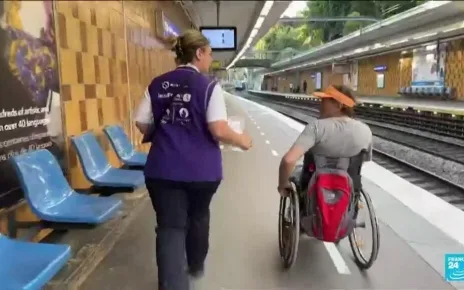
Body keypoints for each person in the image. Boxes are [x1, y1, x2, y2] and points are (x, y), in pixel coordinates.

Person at [134, 29, 252, 290]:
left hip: (163, 170)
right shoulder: (208, 86)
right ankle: (195, 264)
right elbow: (218, 128)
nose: (210, 59)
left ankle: (173, 284)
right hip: (203, 172)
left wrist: (166, 133)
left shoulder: (157, 83)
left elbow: (141, 121)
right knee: (198, 216)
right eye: (209, 53)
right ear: (198, 53)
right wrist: (243, 140)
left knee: (170, 228)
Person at [277, 85, 372, 197]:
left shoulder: (317, 127)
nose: (320, 105)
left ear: (339, 105)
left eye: (324, 101)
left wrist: (283, 185)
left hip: (314, 193)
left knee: (297, 172)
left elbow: (288, 160)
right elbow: (364, 160)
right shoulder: (365, 130)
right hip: (349, 192)